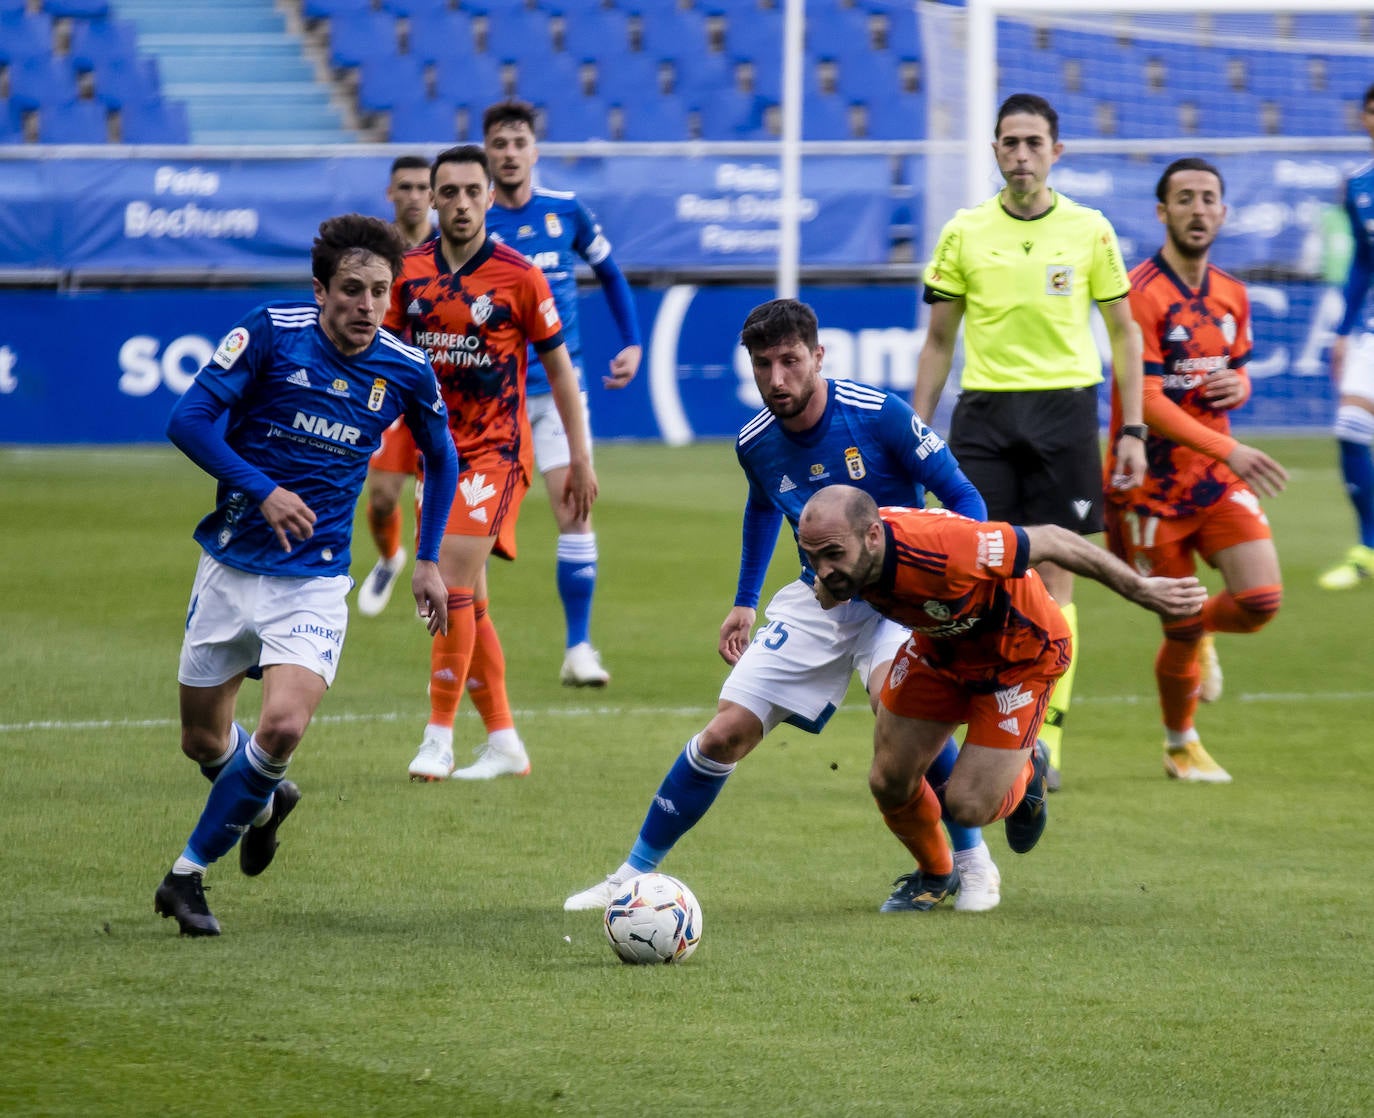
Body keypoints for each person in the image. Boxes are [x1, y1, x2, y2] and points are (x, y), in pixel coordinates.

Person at [565, 298, 1004, 917]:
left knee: (899, 715)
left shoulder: (878, 415)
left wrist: (954, 580)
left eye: (791, 361)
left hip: (899, 598)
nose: (778, 378)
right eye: (763, 364)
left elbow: (963, 494)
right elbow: (763, 506)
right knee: (723, 735)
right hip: (818, 599)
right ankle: (629, 876)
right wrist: (744, 601)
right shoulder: (756, 443)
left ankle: (970, 860)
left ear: (818, 357)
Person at [153, 214, 459, 937]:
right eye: (351, 289)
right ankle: (262, 804)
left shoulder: (404, 369)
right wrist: (260, 487)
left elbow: (442, 457)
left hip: (315, 580)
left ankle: (186, 877)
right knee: (203, 742)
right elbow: (187, 420)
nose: (366, 305)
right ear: (321, 289)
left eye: (380, 292)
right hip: (230, 564)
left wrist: (426, 557)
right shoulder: (269, 331)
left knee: (283, 724)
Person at [796, 485, 1209, 882]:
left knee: (967, 807)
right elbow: (835, 573)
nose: (824, 568)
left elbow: (1052, 540)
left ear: (872, 536)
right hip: (939, 651)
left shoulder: (947, 547)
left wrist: (1140, 589)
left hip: (1020, 657)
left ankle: (1030, 771)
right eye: (813, 557)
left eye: (833, 555)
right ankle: (936, 876)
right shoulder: (847, 558)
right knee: (888, 782)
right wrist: (831, 584)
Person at [913, 92, 1147, 792]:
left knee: (1053, 581)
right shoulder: (964, 231)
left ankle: (1045, 743)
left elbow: (1125, 334)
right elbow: (938, 340)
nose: (1022, 154)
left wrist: (1131, 428)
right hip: (983, 418)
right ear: (995, 152)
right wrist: (916, 431)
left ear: (1056, 151)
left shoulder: (1090, 230)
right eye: (1010, 142)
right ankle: (973, 725)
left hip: (1065, 415)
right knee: (974, 577)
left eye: (1034, 142)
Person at [387, 144, 598, 783]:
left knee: (449, 579)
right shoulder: (409, 273)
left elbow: (560, 369)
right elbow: (387, 355)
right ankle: (505, 741)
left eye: (470, 191)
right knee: (471, 602)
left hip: (497, 453)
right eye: (444, 192)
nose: (458, 203)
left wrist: (580, 452)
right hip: (437, 455)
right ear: (429, 196)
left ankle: (438, 738)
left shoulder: (519, 275)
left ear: (487, 196)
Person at [1105, 157, 1287, 782]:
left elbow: (1233, 371)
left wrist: (1239, 385)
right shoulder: (1137, 292)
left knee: (1260, 600)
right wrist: (1230, 448)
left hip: (1212, 481)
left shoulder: (1233, 293)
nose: (1198, 208)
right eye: (1184, 198)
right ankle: (1180, 744)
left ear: (1224, 212)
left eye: (1209, 198)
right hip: (1149, 489)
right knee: (1177, 629)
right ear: (1162, 212)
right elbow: (1148, 401)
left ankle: (1202, 628)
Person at [482, 98, 643, 686]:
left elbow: (611, 273)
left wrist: (631, 341)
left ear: (535, 150)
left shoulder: (566, 212)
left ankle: (578, 649)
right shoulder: (473, 221)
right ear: (487, 153)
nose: (509, 153)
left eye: (518, 142)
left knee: (574, 510)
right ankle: (461, 645)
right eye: (499, 144)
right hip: (490, 396)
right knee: (470, 525)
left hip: (557, 392)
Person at [356, 155, 437, 618]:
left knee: (433, 496)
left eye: (420, 187)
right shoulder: (376, 253)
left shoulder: (450, 251)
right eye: (402, 187)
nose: (412, 196)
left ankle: (435, 576)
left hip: (437, 393)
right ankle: (390, 558)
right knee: (383, 497)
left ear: (433, 195)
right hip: (387, 389)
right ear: (390, 193)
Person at [1318, 82, 1374, 591]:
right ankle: (1367, 548)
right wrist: (1342, 331)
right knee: (1351, 426)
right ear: (1363, 119)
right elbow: (1362, 262)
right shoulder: (1358, 186)